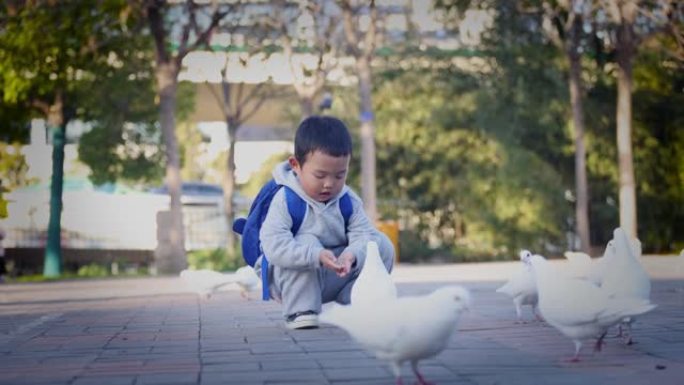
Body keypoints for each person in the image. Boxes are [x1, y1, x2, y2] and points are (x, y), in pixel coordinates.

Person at [257, 115, 395, 330]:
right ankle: (301, 310)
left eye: (340, 175)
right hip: (292, 279)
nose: (329, 184)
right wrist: (315, 256)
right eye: (320, 175)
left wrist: (352, 255)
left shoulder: (349, 201)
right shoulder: (285, 199)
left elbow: (364, 235)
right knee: (307, 239)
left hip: (335, 273)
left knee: (379, 244)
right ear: (295, 165)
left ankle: (354, 302)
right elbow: (274, 246)